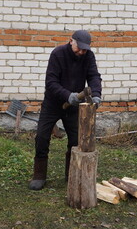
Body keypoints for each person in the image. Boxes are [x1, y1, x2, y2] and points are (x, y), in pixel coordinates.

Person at [29, 30, 102, 190]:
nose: (82, 52)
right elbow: (51, 82)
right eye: (79, 48)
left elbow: (94, 76)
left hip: (75, 106)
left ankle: (71, 174)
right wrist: (68, 95)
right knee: (41, 137)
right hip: (52, 104)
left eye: (85, 49)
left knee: (75, 141)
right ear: (71, 41)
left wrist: (96, 95)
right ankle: (39, 175)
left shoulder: (88, 56)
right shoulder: (58, 54)